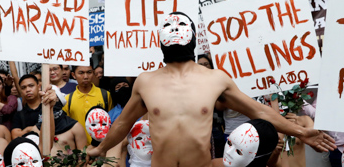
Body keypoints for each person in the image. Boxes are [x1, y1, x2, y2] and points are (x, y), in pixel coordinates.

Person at [86, 12, 336, 167]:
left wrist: (300, 132)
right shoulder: (145, 81)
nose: (174, 31)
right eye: (169, 29)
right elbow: (123, 123)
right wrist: (100, 148)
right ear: (160, 40)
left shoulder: (216, 79)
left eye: (179, 28)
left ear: (193, 38)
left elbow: (258, 111)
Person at [11, 74, 87, 156]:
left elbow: (83, 156)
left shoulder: (75, 127)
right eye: (23, 87)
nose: (28, 90)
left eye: (54, 102)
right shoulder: (36, 129)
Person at [63, 65, 112, 144]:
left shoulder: (106, 95)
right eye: (81, 73)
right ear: (73, 75)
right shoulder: (68, 99)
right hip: (79, 149)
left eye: (89, 72)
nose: (85, 76)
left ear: (93, 74)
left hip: (102, 147)